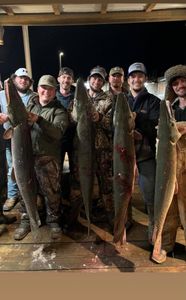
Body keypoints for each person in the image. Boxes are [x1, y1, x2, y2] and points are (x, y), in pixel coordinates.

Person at [1, 75, 69, 240]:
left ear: (54, 92)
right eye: (43, 88)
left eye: (50, 89)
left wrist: (39, 120)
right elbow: (15, 126)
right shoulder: (30, 105)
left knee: (51, 192)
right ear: (38, 89)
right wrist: (7, 120)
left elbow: (57, 133)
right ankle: (27, 220)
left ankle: (54, 221)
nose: (46, 91)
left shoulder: (59, 110)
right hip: (28, 158)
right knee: (25, 189)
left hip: (48, 159)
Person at [127, 62, 161, 243]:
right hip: (125, 156)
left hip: (146, 155)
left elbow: (157, 127)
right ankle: (125, 221)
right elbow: (113, 125)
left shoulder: (154, 101)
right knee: (123, 192)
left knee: (150, 194)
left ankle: (154, 227)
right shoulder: (122, 101)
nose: (136, 79)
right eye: (133, 76)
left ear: (145, 78)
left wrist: (139, 124)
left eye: (140, 76)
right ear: (129, 79)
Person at [0, 68, 37, 212]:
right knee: (12, 168)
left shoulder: (33, 96)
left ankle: (31, 192)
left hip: (29, 138)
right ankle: (12, 195)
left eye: (26, 79)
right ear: (15, 79)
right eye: (21, 78)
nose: (23, 80)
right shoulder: (2, 94)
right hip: (11, 138)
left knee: (30, 167)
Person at [160, 64, 186, 256]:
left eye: (183, 81)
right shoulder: (172, 107)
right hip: (173, 161)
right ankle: (166, 246)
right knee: (169, 207)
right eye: (175, 83)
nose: (180, 85)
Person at [106, 66, 133, 230]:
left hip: (125, 147)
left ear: (123, 78)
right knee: (110, 184)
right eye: (113, 76)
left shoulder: (130, 97)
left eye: (119, 76)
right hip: (106, 147)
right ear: (109, 78)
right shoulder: (104, 96)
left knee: (126, 182)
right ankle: (113, 217)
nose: (116, 79)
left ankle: (126, 218)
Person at [86, 66, 114, 226]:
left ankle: (111, 217)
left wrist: (99, 117)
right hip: (83, 149)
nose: (96, 81)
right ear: (89, 79)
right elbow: (71, 117)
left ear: (103, 82)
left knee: (106, 184)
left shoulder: (108, 99)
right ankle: (85, 215)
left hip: (103, 150)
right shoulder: (81, 97)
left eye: (100, 79)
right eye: (94, 78)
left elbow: (112, 124)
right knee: (83, 182)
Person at [56, 67, 76, 200]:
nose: (66, 80)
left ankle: (73, 198)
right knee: (57, 171)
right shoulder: (53, 95)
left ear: (72, 80)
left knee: (76, 171)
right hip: (58, 139)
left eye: (68, 77)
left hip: (75, 139)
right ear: (58, 79)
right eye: (63, 77)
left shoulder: (78, 95)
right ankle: (59, 198)